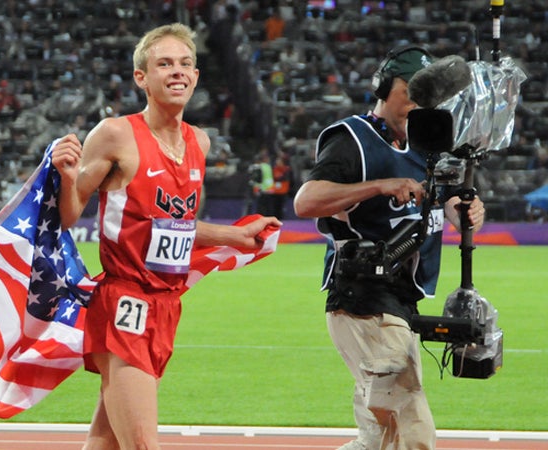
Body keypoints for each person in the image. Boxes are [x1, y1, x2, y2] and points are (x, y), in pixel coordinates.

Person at [51, 23, 281, 450]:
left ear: (196, 77)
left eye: (185, 64)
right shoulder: (116, 133)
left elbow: (176, 229)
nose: (177, 72)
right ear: (142, 77)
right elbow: (67, 217)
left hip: (166, 306)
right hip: (125, 302)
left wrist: (232, 238)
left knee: (105, 442)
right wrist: (68, 178)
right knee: (143, 444)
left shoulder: (200, 142)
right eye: (164, 64)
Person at [293, 45, 486, 450]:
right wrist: (380, 186)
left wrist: (463, 210)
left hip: (399, 303)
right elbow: (306, 201)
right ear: (384, 87)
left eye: (427, 97)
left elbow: (448, 202)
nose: (418, 104)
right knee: (412, 428)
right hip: (363, 299)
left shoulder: (427, 147)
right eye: (410, 92)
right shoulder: (352, 139)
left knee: (378, 439)